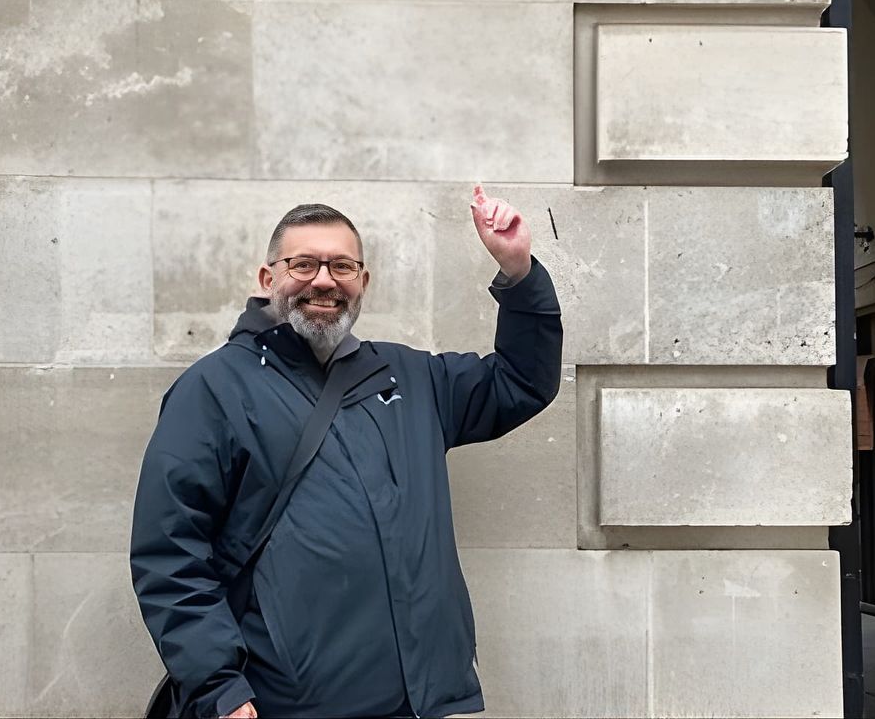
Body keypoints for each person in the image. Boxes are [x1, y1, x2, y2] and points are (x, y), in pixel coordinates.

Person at [130, 184, 563, 719]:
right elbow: (170, 554)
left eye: (342, 267)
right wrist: (220, 686)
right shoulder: (213, 389)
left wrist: (518, 274)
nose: (324, 281)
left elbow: (522, 381)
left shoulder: (412, 376)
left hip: (418, 701)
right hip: (284, 703)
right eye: (304, 264)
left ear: (363, 281)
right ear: (269, 279)